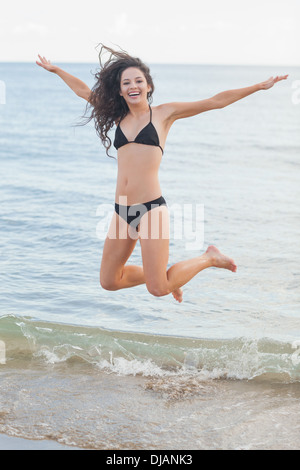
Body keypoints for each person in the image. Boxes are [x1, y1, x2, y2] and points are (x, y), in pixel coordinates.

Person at [36, 46, 288, 303]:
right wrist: (56, 70)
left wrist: (258, 86)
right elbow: (82, 91)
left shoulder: (164, 114)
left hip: (150, 210)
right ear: (120, 90)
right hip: (122, 209)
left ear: (148, 86)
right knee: (109, 281)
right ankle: (168, 277)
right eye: (126, 83)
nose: (133, 86)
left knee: (158, 289)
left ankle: (209, 257)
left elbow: (214, 102)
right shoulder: (118, 116)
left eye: (138, 81)